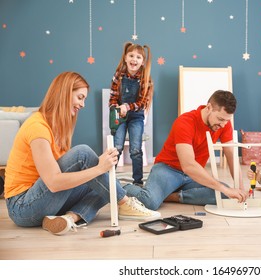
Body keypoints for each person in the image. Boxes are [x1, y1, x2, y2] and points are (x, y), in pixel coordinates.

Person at [4, 72, 160, 236]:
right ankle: (125, 203)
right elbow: (53, 182)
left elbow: (66, 175)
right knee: (83, 154)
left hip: (43, 200)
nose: (83, 104)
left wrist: (100, 165)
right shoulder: (37, 127)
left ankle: (69, 218)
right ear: (64, 93)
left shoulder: (58, 127)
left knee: (104, 184)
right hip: (22, 206)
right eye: (80, 97)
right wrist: (98, 169)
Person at [124, 90, 248, 211]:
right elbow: (188, 165)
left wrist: (240, 189)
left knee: (226, 194)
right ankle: (121, 188)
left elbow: (231, 156)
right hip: (168, 169)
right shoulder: (185, 122)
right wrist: (223, 188)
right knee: (150, 202)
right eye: (220, 119)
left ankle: (172, 196)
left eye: (227, 120)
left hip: (192, 176)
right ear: (209, 107)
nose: (223, 124)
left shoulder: (223, 124)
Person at [109, 42, 153, 187]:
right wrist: (115, 107)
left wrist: (127, 106)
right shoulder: (118, 76)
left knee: (135, 149)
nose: (134, 59)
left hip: (136, 117)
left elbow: (142, 102)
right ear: (125, 58)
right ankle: (110, 179)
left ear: (142, 61)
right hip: (120, 115)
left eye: (138, 57)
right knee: (117, 147)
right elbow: (113, 97)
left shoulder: (146, 79)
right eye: (131, 56)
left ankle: (138, 182)